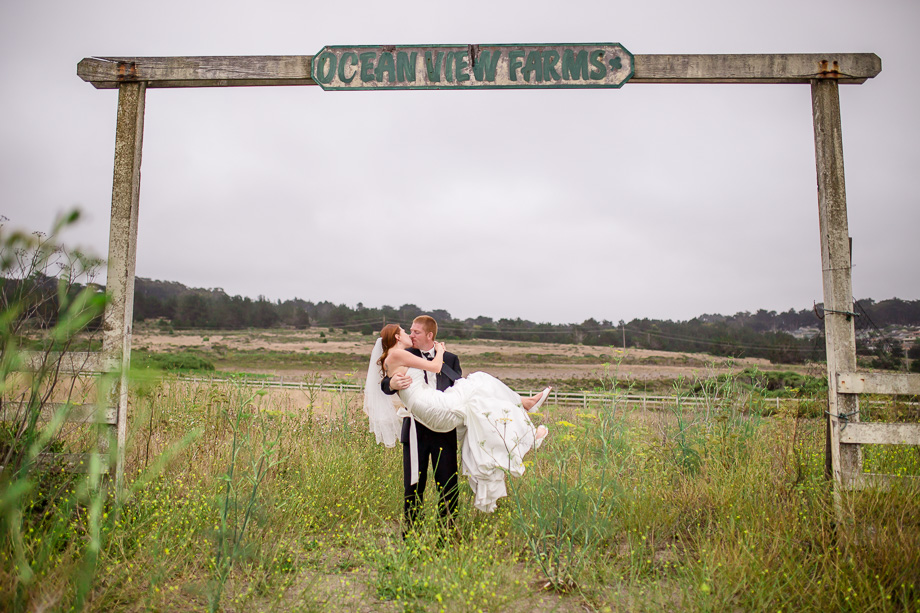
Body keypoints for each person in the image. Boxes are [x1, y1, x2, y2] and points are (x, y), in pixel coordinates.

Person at [366, 322, 550, 515]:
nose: (410, 334)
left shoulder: (450, 359)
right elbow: (387, 381)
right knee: (413, 487)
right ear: (397, 337)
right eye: (407, 331)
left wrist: (441, 354)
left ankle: (446, 534)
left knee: (448, 486)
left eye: (415, 331)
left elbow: (456, 381)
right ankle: (410, 535)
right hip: (415, 427)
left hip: (443, 426)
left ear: (429, 335)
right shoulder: (406, 353)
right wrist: (392, 383)